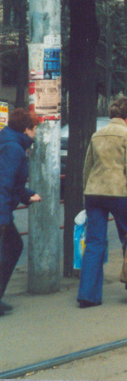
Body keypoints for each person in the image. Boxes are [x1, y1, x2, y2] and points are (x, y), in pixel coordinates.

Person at [77, 97, 127, 307]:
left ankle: (87, 295)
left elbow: (88, 167)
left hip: (94, 193)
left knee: (94, 243)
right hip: (119, 193)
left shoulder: (97, 135)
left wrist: (88, 192)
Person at [0, 109, 41, 315]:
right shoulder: (13, 148)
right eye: (34, 129)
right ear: (26, 129)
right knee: (13, 246)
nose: (35, 134)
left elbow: (11, 183)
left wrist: (27, 195)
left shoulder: (7, 142)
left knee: (12, 246)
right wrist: (3, 217)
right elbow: (4, 185)